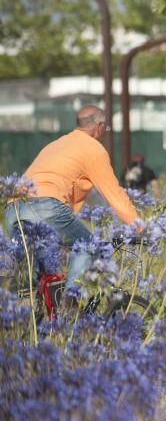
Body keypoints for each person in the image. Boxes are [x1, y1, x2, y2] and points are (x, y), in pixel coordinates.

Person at [4, 106, 144, 288]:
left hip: (13, 210)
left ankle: (32, 311)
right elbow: (114, 194)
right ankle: (70, 301)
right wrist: (140, 228)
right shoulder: (94, 149)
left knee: (34, 282)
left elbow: (67, 190)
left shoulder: (55, 144)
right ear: (99, 126)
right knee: (90, 246)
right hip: (44, 208)